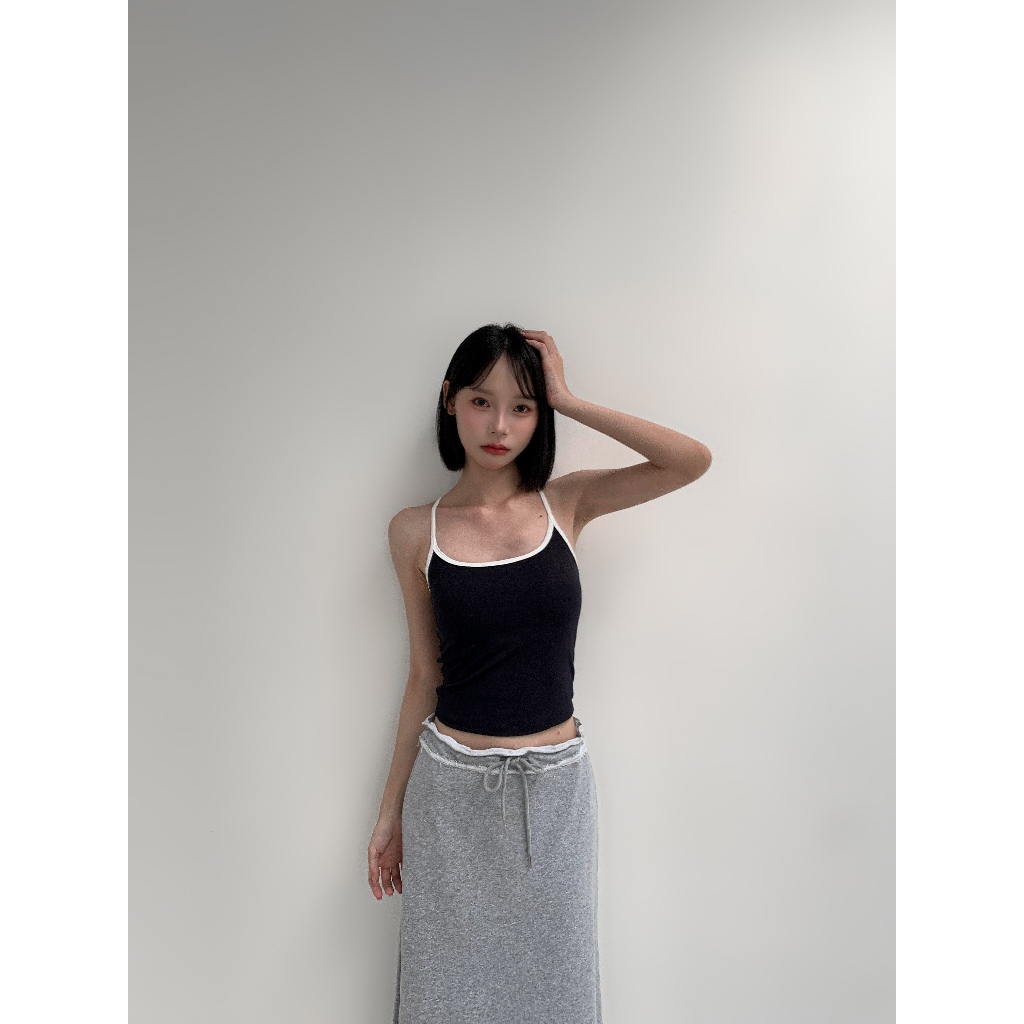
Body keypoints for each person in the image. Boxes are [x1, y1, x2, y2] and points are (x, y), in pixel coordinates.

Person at [368, 323, 712, 1024]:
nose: (499, 426)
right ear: (450, 400)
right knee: (444, 1001)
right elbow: (424, 676)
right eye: (481, 401)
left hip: (555, 796)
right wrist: (389, 813)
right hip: (449, 798)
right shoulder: (414, 530)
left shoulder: (567, 503)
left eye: (522, 407)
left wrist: (569, 399)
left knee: (559, 997)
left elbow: (689, 461)